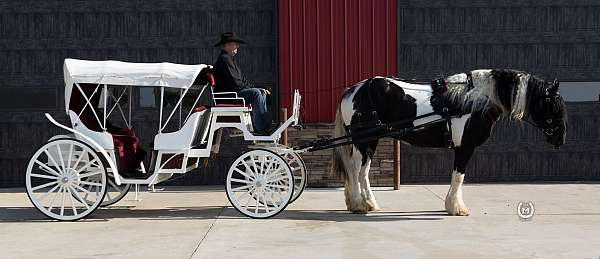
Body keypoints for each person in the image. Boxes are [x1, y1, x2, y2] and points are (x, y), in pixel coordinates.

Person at [213, 32, 271, 133]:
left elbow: (242, 80)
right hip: (227, 97)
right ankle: (262, 129)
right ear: (227, 45)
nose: (238, 46)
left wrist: (258, 88)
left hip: (234, 94)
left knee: (260, 92)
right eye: (235, 43)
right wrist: (254, 89)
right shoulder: (224, 59)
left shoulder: (230, 60)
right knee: (255, 93)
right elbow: (236, 83)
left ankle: (264, 125)